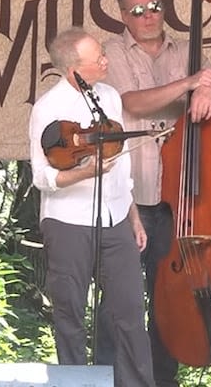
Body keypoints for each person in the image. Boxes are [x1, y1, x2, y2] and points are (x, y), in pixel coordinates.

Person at [98, 0, 211, 386]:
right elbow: (129, 103)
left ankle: (162, 380)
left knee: (168, 298)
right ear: (123, 16)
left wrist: (210, 89)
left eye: (153, 5)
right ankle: (109, 379)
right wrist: (192, 84)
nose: (148, 15)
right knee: (117, 300)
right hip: (130, 194)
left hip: (177, 197)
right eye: (137, 10)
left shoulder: (187, 50)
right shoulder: (112, 51)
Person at [27, 27, 155, 387]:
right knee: (70, 315)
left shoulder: (110, 97)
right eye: (98, 58)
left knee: (130, 311)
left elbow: (122, 170)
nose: (106, 60)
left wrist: (133, 218)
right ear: (75, 71)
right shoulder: (48, 108)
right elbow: (42, 176)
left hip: (115, 219)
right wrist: (83, 173)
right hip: (68, 221)